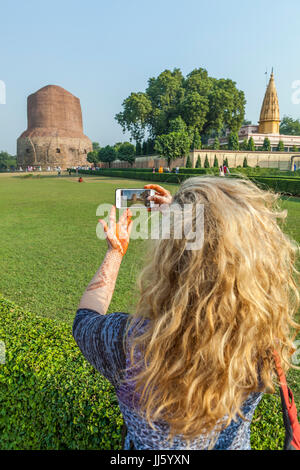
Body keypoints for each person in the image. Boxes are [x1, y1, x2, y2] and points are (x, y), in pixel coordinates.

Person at [73, 177, 300, 450]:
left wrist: (115, 252)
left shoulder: (130, 343)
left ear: (168, 259)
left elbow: (85, 318)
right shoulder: (262, 340)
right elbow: (216, 251)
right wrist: (186, 218)